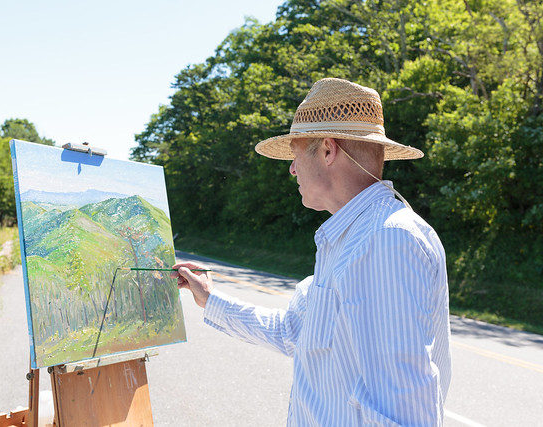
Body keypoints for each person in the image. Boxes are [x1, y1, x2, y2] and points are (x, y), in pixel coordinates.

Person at [172, 78, 451, 426]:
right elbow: (293, 330)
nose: (291, 169)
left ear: (328, 150)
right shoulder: (352, 237)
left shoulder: (385, 240)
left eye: (295, 154)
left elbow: (404, 409)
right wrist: (209, 298)